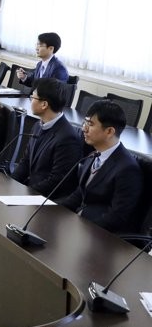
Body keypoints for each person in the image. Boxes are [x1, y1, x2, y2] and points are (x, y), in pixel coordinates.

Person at [58, 100, 144, 234]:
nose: (84, 128)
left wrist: (79, 229)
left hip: (101, 235)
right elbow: (80, 193)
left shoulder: (127, 169)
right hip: (81, 223)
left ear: (109, 131)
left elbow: (116, 217)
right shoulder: (93, 154)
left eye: (90, 124)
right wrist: (54, 209)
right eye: (85, 122)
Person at [11, 78, 83, 199]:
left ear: (44, 104)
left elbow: (57, 181)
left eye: (33, 97)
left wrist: (25, 194)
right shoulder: (37, 126)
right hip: (31, 191)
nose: (30, 101)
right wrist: (10, 183)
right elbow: (25, 161)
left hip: (47, 199)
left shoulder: (68, 138)